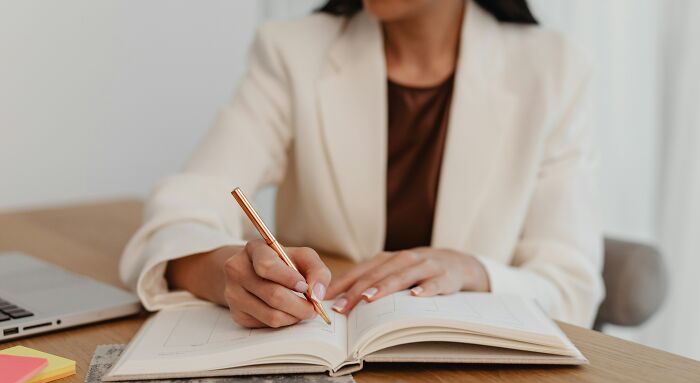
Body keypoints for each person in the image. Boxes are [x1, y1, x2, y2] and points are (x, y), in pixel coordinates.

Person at [120, 0, 604, 330]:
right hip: (314, 361)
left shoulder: (554, 69)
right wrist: (224, 274)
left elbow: (572, 287)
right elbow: (184, 207)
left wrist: (473, 269)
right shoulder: (293, 51)